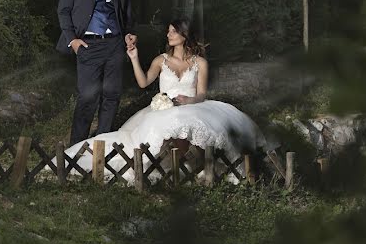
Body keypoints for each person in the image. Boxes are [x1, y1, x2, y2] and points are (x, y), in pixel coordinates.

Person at [62, 18, 265, 182]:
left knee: (200, 125)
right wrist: (134, 57)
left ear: (184, 35)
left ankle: (202, 168)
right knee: (161, 128)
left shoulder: (200, 62)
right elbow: (143, 82)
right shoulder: (161, 60)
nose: (168, 35)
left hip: (192, 105)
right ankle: (174, 168)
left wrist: (189, 100)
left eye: (173, 31)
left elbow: (202, 93)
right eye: (168, 31)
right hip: (164, 108)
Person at [57, 0, 137, 145]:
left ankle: (103, 145)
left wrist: (129, 33)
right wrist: (72, 40)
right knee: (87, 97)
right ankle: (75, 149)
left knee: (112, 95)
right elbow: (63, 10)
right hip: (88, 45)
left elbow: (126, 13)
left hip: (115, 45)